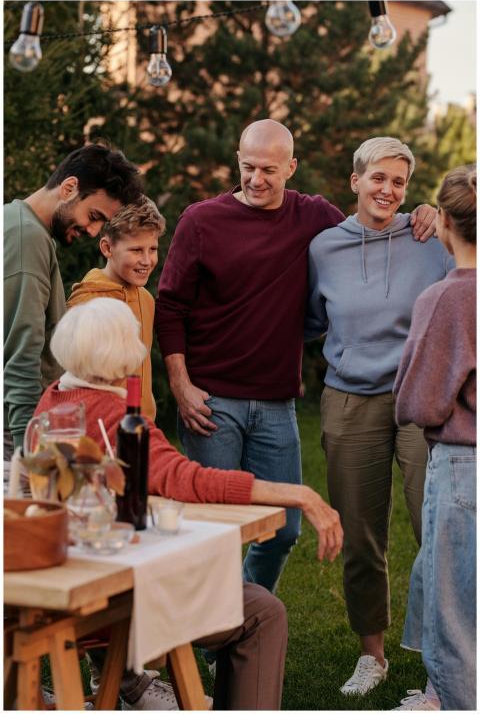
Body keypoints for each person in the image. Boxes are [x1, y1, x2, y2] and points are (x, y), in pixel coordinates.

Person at [154, 119, 436, 595]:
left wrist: (426, 210)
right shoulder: (201, 220)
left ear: (291, 167)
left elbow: (369, 222)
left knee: (282, 532)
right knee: (216, 530)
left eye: (269, 169)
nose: (257, 179)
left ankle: (243, 619)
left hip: (276, 404)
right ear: (238, 162)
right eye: (248, 167)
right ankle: (215, 638)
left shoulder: (313, 217)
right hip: (210, 401)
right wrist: (181, 386)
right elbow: (171, 307)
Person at [35, 297, 343, 711]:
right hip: (115, 597)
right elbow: (187, 480)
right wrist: (297, 493)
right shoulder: (113, 415)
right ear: (120, 352)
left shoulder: (53, 401)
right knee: (263, 613)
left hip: (71, 581)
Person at [305, 137, 452, 696]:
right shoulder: (323, 248)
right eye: (378, 179)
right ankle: (373, 656)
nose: (388, 190)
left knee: (436, 526)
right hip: (349, 400)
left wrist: (436, 214)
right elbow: (312, 321)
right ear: (355, 181)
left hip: (422, 400)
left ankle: (452, 650)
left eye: (399, 182)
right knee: (362, 534)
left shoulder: (430, 238)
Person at [393, 164, 476, 711]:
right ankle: (437, 695)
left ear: (443, 221)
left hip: (462, 463)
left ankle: (455, 699)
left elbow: (419, 402)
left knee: (456, 614)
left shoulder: (445, 298)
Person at [3, 143, 143, 455]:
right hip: (16, 432)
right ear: (69, 188)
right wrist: (32, 453)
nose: (93, 231)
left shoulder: (15, 222)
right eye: (93, 216)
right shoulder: (28, 240)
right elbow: (21, 355)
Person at [67, 195, 165, 420]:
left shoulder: (146, 299)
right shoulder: (87, 304)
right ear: (107, 248)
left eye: (153, 249)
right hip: (102, 428)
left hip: (143, 425)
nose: (147, 260)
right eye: (136, 250)